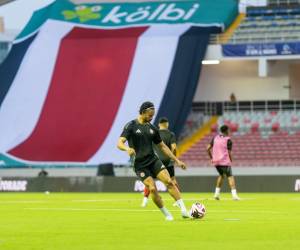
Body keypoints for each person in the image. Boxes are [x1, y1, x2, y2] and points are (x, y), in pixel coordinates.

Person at [117, 101, 190, 220]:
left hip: (153, 160)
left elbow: (162, 146)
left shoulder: (152, 128)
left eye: (153, 115)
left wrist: (177, 160)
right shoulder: (130, 125)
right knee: (152, 188)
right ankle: (167, 214)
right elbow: (119, 143)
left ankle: (184, 210)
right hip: (140, 164)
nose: (152, 118)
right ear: (143, 112)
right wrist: (127, 148)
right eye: (150, 115)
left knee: (169, 182)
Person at [141, 117, 181, 208]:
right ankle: (178, 201)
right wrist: (173, 158)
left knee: (150, 180)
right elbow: (174, 148)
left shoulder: (155, 132)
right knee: (172, 180)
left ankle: (144, 201)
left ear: (159, 124)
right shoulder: (171, 134)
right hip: (168, 161)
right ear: (167, 124)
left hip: (156, 161)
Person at [206, 125, 240, 201]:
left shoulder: (215, 138)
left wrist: (212, 158)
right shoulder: (228, 140)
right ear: (226, 131)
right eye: (229, 130)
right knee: (230, 177)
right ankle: (234, 195)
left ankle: (216, 194)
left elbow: (207, 148)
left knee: (221, 176)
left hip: (216, 162)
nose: (229, 131)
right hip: (224, 162)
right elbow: (229, 152)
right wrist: (231, 160)